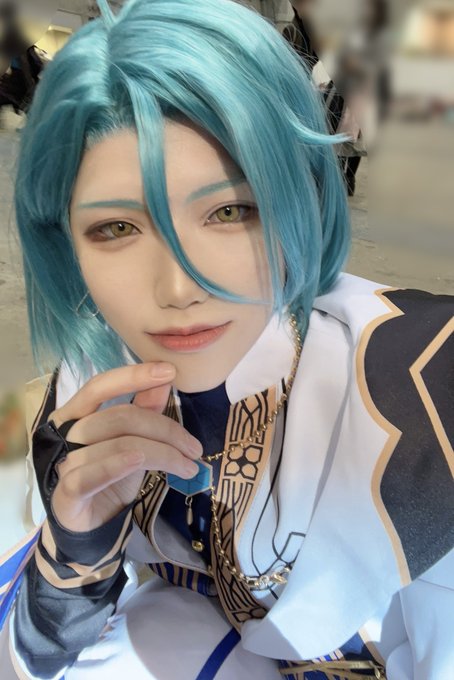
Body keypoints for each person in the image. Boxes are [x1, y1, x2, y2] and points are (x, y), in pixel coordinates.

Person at [0, 0, 453, 678]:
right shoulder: (86, 387)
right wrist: (76, 548)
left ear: (302, 197)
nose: (179, 288)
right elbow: (35, 653)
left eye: (231, 211)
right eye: (117, 228)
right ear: (64, 242)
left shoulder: (420, 385)